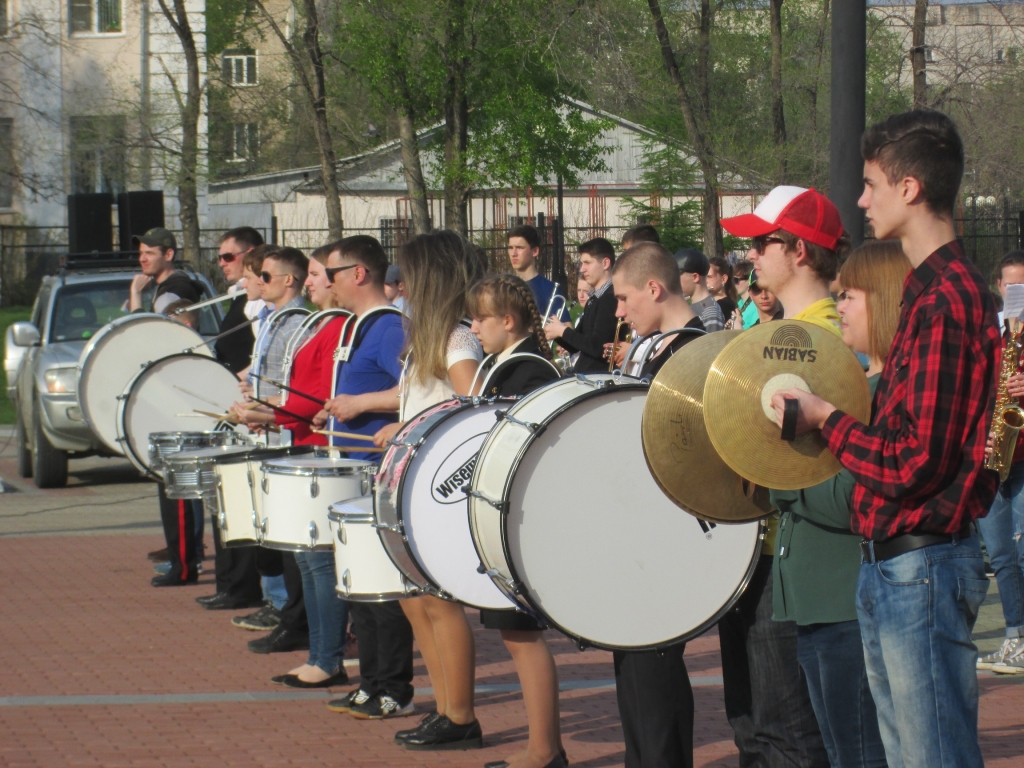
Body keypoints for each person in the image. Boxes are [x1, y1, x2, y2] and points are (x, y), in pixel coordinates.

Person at [769, 111, 999, 768]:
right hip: (899, 563)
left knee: (931, 757)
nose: (862, 200)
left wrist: (824, 418)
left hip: (918, 563)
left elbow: (912, 463)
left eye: (871, 184)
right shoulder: (937, 294)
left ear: (911, 189)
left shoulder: (947, 299)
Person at [718, 184, 850, 768]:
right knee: (752, 725)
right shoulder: (775, 332)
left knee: (788, 732)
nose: (749, 255)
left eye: (761, 242)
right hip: (763, 545)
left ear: (800, 251)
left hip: (796, 551)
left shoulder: (828, 339)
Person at [770, 241, 908, 768]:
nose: (840, 305)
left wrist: (781, 482)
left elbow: (853, 499)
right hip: (814, 599)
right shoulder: (863, 383)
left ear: (887, 301)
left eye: (851, 296)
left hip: (842, 597)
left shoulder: (876, 391)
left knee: (860, 753)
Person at [371, 230, 485, 750]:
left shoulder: (458, 340)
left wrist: (410, 427)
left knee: (439, 601)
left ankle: (459, 714)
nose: (402, 285)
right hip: (411, 480)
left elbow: (474, 407)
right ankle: (442, 708)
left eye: (410, 276)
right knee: (414, 599)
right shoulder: (429, 338)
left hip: (437, 486)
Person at [609, 242, 705, 768]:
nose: (619, 312)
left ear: (653, 288)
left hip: (667, 528)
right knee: (631, 661)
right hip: (640, 522)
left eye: (624, 298)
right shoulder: (652, 344)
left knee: (654, 663)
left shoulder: (693, 351)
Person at [466, 275, 565, 768]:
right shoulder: (502, 365)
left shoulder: (530, 372)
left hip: (522, 519)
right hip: (503, 515)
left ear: (507, 321)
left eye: (481, 318)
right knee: (514, 636)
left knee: (523, 636)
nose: (474, 327)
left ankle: (544, 751)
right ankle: (542, 748)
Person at [314, 235, 413, 720]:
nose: (327, 284)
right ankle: (370, 682)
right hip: (354, 468)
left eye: (332, 274)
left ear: (358, 274)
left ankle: (393, 686)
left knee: (383, 587)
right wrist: (333, 412)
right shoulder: (358, 327)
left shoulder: (391, 327)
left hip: (381, 471)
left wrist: (361, 404)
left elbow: (416, 391)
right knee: (359, 585)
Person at [194, 227, 267, 620]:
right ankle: (232, 584)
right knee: (225, 501)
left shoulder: (258, 306)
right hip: (238, 407)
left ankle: (244, 587)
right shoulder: (239, 301)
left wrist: (247, 384)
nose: (221, 263)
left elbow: (266, 357)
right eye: (220, 257)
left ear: (251, 255)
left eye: (228, 256)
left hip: (252, 412)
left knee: (241, 503)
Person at [976, 251, 1024, 674]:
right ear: (997, 286)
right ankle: (1013, 635)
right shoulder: (991, 335)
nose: (1017, 294)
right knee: (1001, 554)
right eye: (1011, 285)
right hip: (994, 453)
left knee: (1023, 549)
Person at [544, 238, 619, 373]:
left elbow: (597, 347)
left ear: (605, 263)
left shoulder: (610, 297)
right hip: (586, 375)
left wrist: (562, 331)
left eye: (587, 263)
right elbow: (577, 345)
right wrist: (554, 331)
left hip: (599, 379)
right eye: (581, 263)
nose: (582, 269)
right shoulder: (595, 298)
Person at [128, 228, 202, 313]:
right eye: (141, 253)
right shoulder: (165, 287)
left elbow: (146, 327)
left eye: (149, 253)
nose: (142, 259)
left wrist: (136, 293)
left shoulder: (174, 292)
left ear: (168, 255)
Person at [507, 225, 568, 322]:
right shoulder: (502, 286)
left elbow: (566, 327)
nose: (513, 253)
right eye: (510, 247)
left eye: (519, 248)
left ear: (535, 251)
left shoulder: (549, 289)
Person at [674, 249, 725, 332]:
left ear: (695, 277)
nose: (675, 281)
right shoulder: (694, 305)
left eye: (677, 275)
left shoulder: (710, 312)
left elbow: (711, 344)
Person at [708, 256, 738, 320]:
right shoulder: (711, 303)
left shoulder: (725, 306)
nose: (705, 281)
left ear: (723, 279)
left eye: (709, 277)